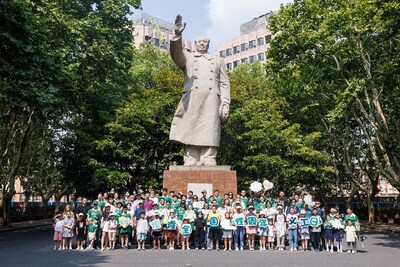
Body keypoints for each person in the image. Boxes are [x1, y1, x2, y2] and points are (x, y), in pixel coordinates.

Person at [169, 15, 230, 166]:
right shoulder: (189, 57)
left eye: (205, 42)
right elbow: (176, 55)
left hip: (212, 99)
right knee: (190, 126)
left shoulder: (218, 61)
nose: (202, 44)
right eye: (199, 42)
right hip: (192, 98)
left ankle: (208, 157)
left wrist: (225, 102)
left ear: (209, 44)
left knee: (210, 127)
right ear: (195, 44)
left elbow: (224, 83)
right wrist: (177, 35)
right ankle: (190, 157)